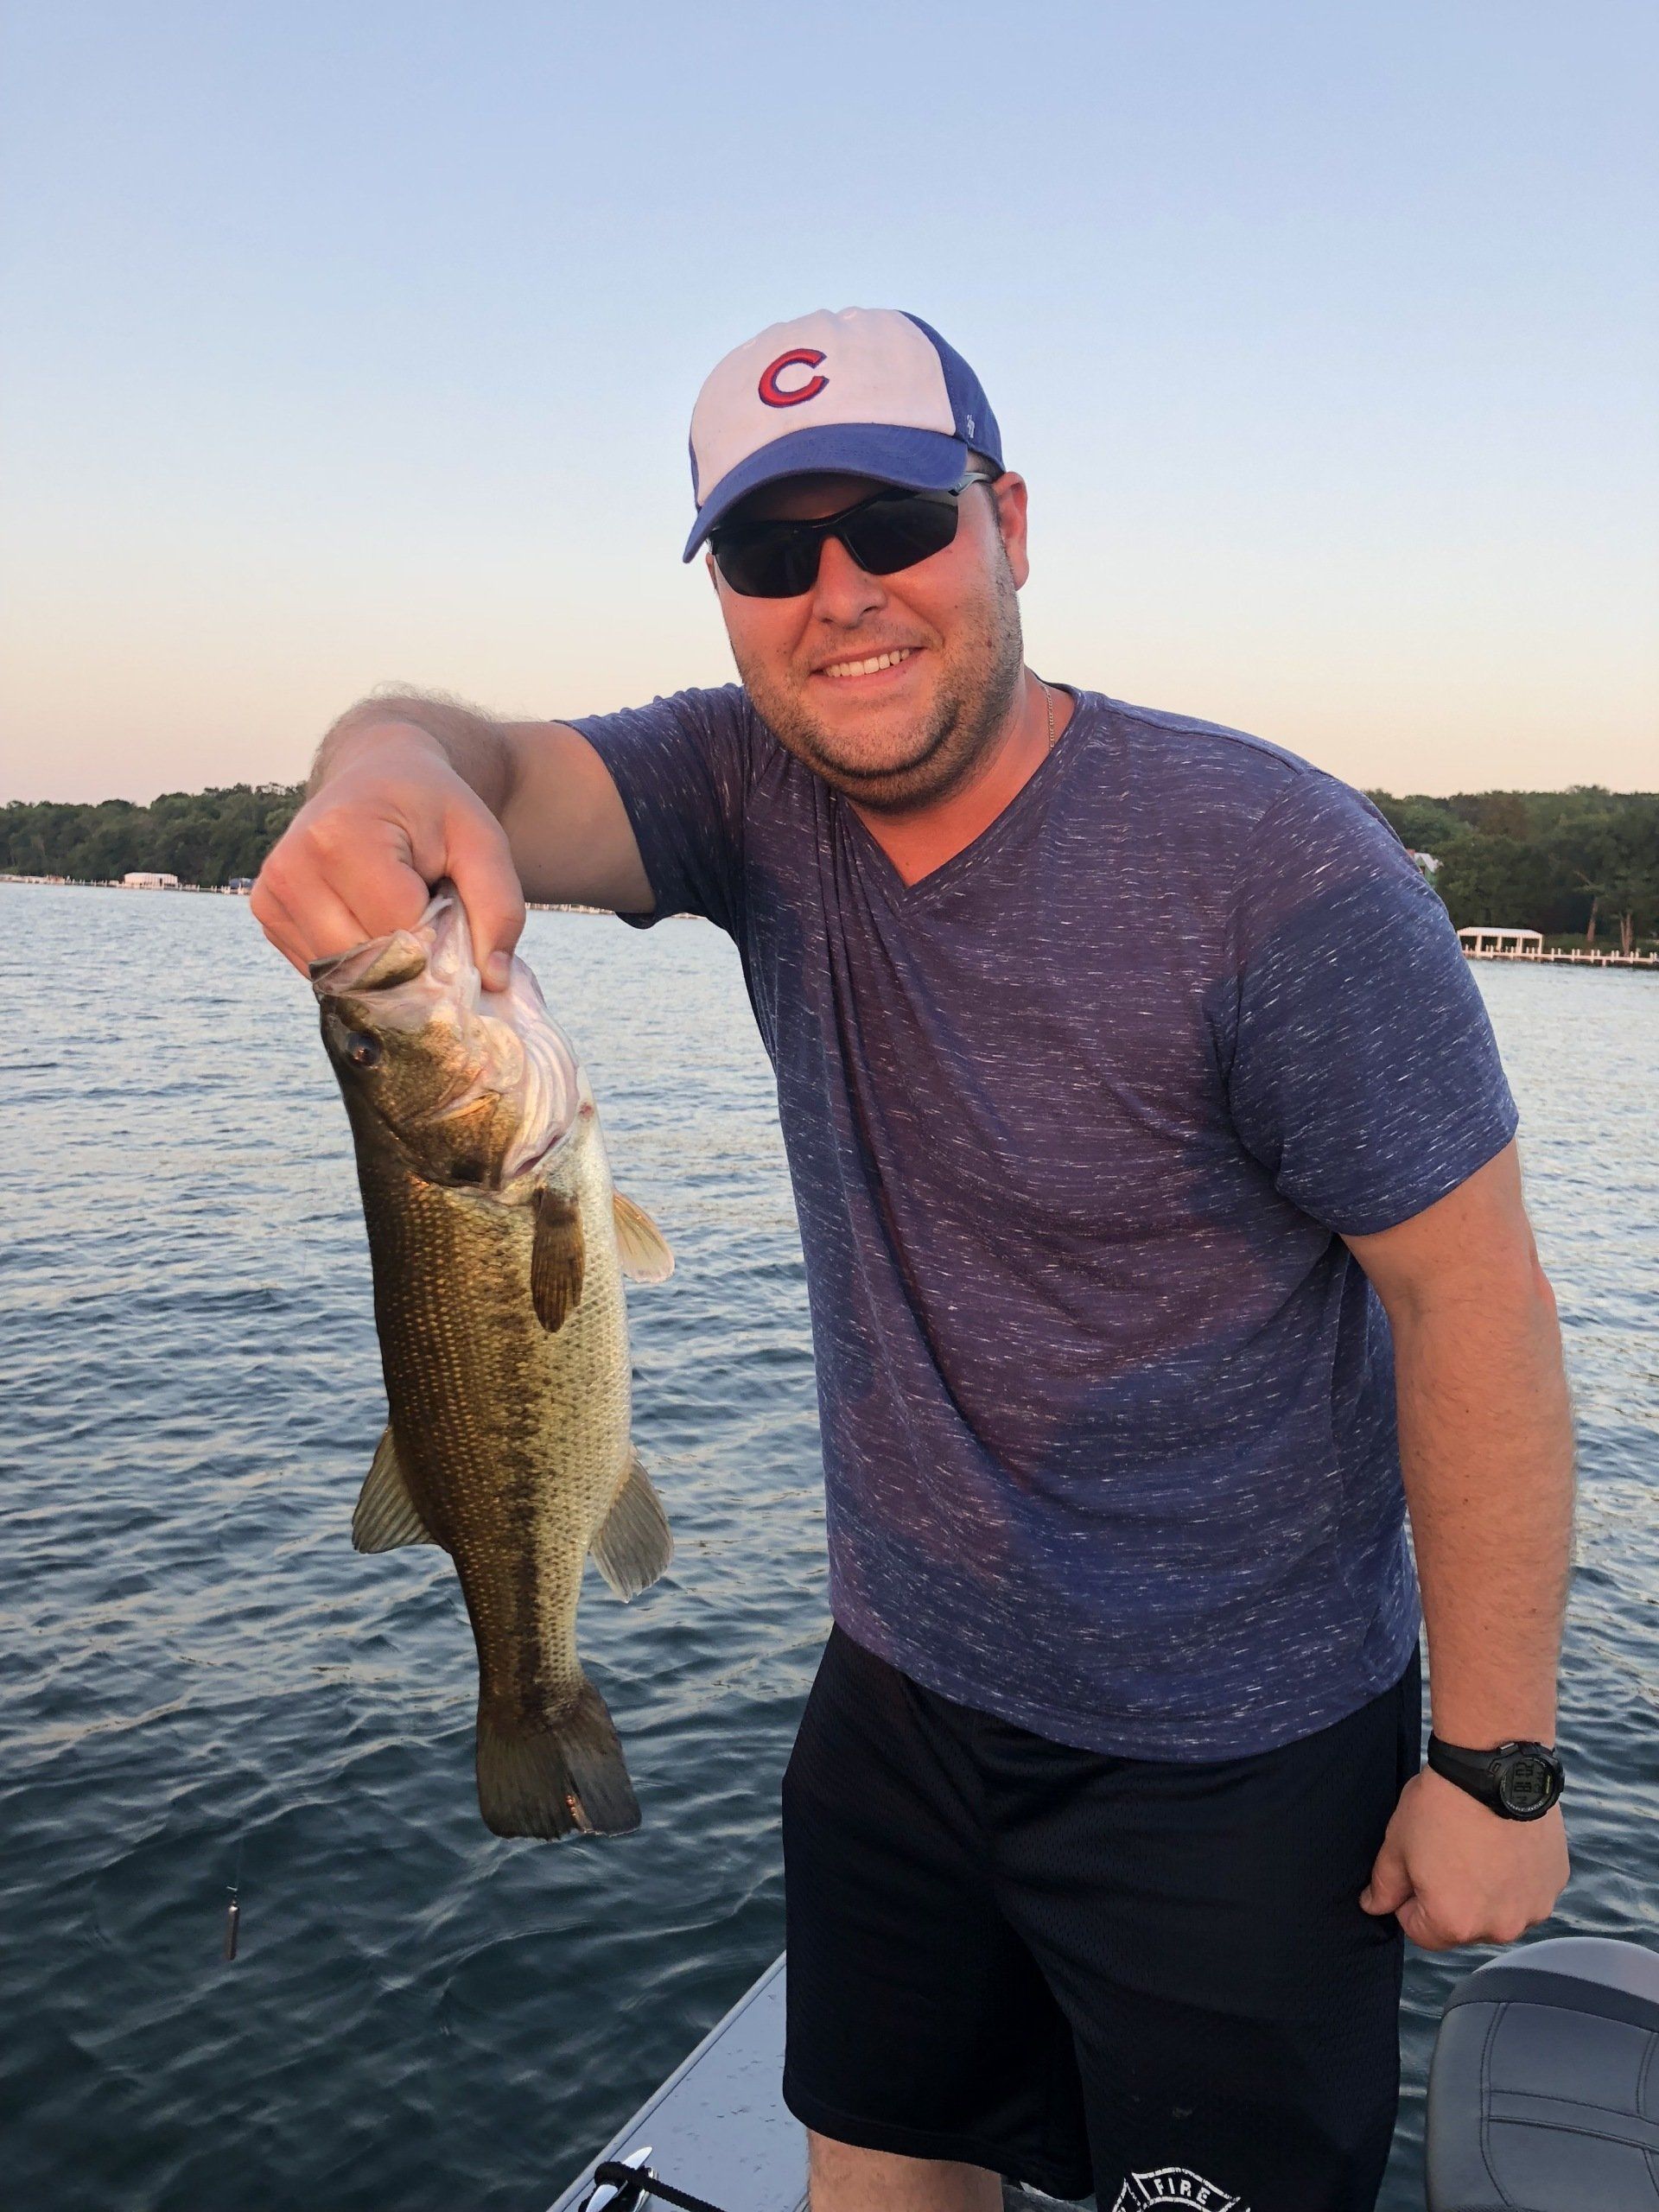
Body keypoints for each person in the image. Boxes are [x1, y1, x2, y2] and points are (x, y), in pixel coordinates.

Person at [253, 308, 1573, 2212]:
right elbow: (463, 759)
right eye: (775, 552)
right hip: (900, 1689)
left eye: (896, 518)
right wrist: (372, 777)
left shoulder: (1279, 871)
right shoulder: (746, 786)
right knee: (872, 2175)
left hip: (1240, 1751)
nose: (842, 591)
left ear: (1009, 520)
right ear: (727, 593)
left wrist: (1499, 1764)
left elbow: (1480, 1307)